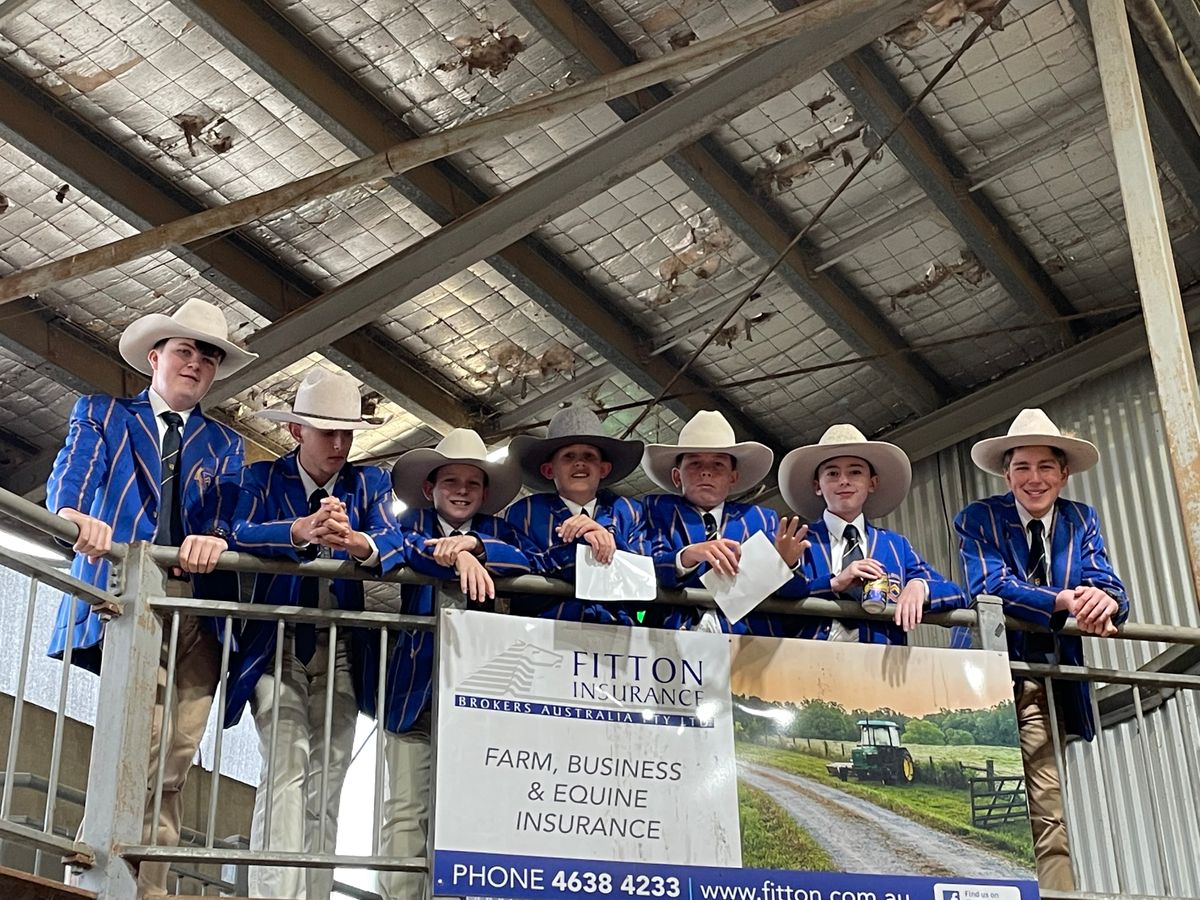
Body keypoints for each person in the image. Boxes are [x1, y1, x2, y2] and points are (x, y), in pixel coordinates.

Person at [46, 298, 256, 895]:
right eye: (185, 351)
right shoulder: (104, 414)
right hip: (133, 594)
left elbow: (227, 514)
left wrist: (217, 537)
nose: (196, 364)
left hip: (197, 605)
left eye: (209, 357)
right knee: (140, 741)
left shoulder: (225, 443)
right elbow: (73, 477)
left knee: (177, 754)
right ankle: (94, 879)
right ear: (155, 357)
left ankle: (149, 887)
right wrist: (73, 515)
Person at [223, 370, 410, 900]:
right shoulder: (261, 478)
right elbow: (238, 530)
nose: (339, 444)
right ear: (296, 431)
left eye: (346, 433)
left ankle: (313, 894)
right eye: (328, 431)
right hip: (275, 645)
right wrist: (299, 531)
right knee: (287, 763)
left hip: (341, 646)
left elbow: (394, 540)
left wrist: (357, 542)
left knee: (328, 777)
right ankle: (274, 895)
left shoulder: (370, 483)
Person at [955, 408, 1128, 891]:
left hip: (1050, 676)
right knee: (1003, 801)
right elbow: (989, 585)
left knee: (1045, 798)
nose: (1034, 479)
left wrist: (1106, 600)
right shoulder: (980, 518)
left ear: (1063, 473)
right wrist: (1062, 600)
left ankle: (1051, 890)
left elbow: (1108, 584)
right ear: (1006, 474)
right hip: (989, 672)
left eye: (1045, 466)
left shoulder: (1080, 519)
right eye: (1023, 468)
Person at [365, 428, 531, 900]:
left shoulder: (499, 532)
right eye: (451, 481)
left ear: (484, 492)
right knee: (405, 807)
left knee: (470, 810)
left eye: (473, 483)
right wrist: (457, 560)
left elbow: (529, 560)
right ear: (429, 488)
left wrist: (475, 548)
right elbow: (398, 547)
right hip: (413, 690)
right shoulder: (409, 523)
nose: (462, 491)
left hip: (482, 695)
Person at [778, 423, 966, 642]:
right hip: (808, 658)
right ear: (817, 486)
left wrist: (921, 586)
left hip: (881, 660)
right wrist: (834, 583)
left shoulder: (896, 546)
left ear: (872, 483)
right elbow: (777, 595)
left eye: (855, 472)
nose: (844, 480)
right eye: (832, 473)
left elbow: (956, 595)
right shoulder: (799, 541)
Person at [641, 410, 809, 632]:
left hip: (747, 641)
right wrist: (688, 555)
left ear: (733, 477)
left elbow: (795, 593)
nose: (706, 472)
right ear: (676, 476)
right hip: (672, 636)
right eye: (695, 463)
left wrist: (786, 565)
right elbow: (646, 569)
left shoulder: (761, 520)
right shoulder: (655, 509)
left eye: (718, 464)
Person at [505, 406, 648, 623]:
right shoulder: (525, 513)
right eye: (568, 456)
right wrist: (581, 546)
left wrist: (610, 540)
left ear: (604, 469)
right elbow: (520, 574)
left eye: (589, 456)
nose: (580, 463)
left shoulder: (631, 512)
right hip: (543, 631)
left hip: (618, 633)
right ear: (549, 470)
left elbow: (646, 576)